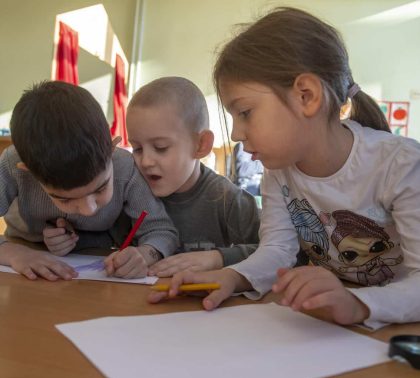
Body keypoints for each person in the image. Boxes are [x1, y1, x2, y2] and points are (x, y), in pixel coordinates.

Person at [148, 7, 420, 329]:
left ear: (306, 96)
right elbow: (277, 250)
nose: (236, 134)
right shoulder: (279, 170)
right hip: (328, 328)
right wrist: (231, 277)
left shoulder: (400, 165)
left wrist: (358, 304)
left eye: (245, 112)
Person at [0, 81, 178, 281]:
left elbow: (162, 230)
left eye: (100, 188)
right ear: (29, 172)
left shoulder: (125, 167)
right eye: (65, 199)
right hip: (21, 264)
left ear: (112, 150)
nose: (89, 210)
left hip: (97, 266)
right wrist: (15, 254)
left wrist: (146, 254)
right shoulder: (12, 164)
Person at [126, 76, 260, 277]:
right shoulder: (131, 192)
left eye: (160, 148)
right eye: (137, 148)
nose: (145, 161)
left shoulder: (227, 199)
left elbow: (281, 252)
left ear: (201, 145)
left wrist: (218, 258)